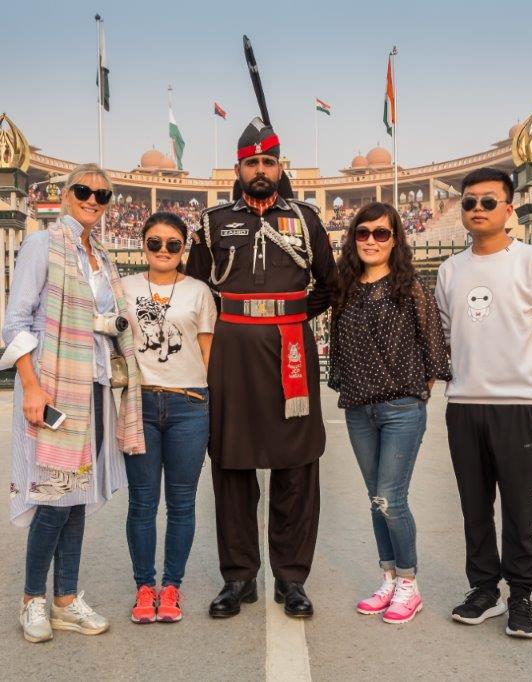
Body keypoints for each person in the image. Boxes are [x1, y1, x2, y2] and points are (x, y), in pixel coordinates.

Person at [185, 117, 338, 619]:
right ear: (238, 169)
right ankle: (239, 577)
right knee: (231, 463)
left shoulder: (306, 220)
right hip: (231, 355)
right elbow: (196, 290)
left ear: (279, 168)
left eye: (268, 162)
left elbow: (329, 284)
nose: (260, 170)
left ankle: (291, 579)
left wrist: (290, 316)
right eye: (251, 162)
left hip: (290, 350)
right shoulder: (212, 222)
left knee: (297, 466)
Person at [0, 163, 145, 643]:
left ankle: (65, 599)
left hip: (95, 385)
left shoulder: (101, 256)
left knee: (77, 495)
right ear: (65, 195)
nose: (92, 200)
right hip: (54, 384)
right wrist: (32, 386)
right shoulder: (43, 244)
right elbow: (16, 321)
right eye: (84, 190)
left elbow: (107, 319)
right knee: (54, 498)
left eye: (102, 195)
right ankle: (31, 599)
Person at [434, 167, 532, 639]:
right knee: (474, 506)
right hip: (463, 404)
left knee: (519, 506)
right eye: (469, 202)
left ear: (509, 209)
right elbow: (447, 334)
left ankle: (522, 595)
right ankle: (484, 590)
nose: (477, 209)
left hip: (515, 404)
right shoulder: (450, 270)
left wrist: (524, 377)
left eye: (488, 202)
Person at [328, 202, 450, 625]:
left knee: (390, 499)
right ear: (353, 238)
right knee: (375, 500)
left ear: (395, 239)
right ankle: (388, 578)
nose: (371, 241)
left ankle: (409, 584)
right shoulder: (345, 288)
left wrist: (414, 397)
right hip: (359, 410)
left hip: (401, 408)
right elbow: (339, 350)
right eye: (363, 233)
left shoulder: (410, 287)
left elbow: (433, 348)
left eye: (381, 233)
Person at [121, 212, 217, 623]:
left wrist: (210, 403)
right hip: (139, 402)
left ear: (184, 248)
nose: (163, 250)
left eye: (173, 244)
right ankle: (145, 587)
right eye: (155, 242)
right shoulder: (123, 288)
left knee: (181, 503)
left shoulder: (199, 291)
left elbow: (208, 353)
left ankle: (172, 586)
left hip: (188, 404)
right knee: (142, 502)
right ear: (143, 244)